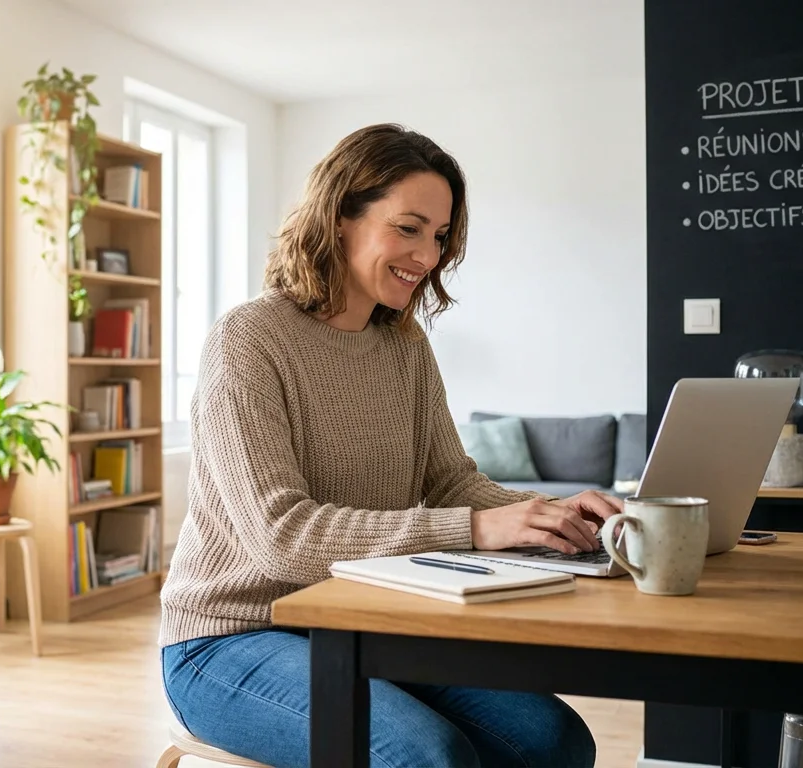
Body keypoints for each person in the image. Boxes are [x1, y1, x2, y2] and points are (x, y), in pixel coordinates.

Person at [159, 123, 621, 768]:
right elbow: (278, 537)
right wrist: (476, 528)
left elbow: (451, 481)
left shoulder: (404, 346)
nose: (428, 257)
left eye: (438, 236)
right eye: (408, 228)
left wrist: (553, 515)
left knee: (555, 740)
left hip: (363, 624)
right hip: (232, 637)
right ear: (339, 217)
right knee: (429, 757)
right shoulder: (248, 341)